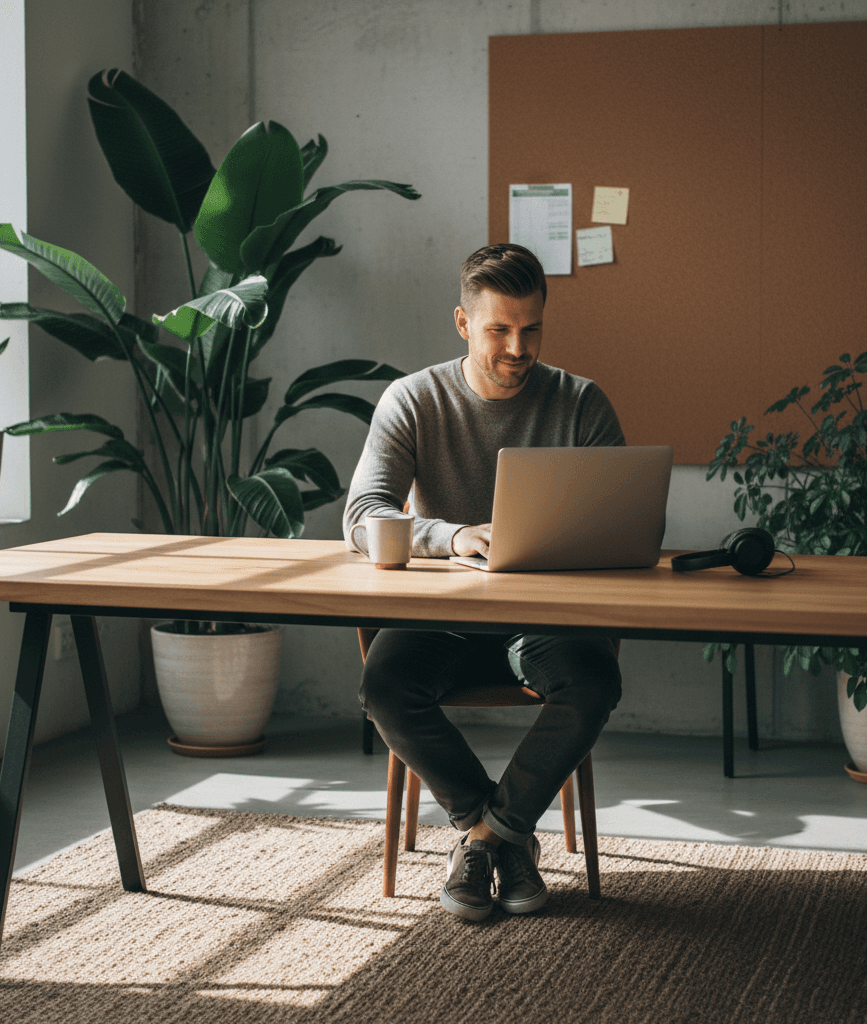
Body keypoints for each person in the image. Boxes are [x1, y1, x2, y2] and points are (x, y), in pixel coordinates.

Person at [343, 243, 624, 921]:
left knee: (594, 682)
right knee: (383, 686)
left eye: (530, 329)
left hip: (540, 618)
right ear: (463, 323)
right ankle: (494, 829)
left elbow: (620, 520)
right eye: (499, 329)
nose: (516, 347)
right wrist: (450, 535)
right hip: (442, 613)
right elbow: (362, 514)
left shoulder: (580, 403)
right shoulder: (413, 399)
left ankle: (488, 837)